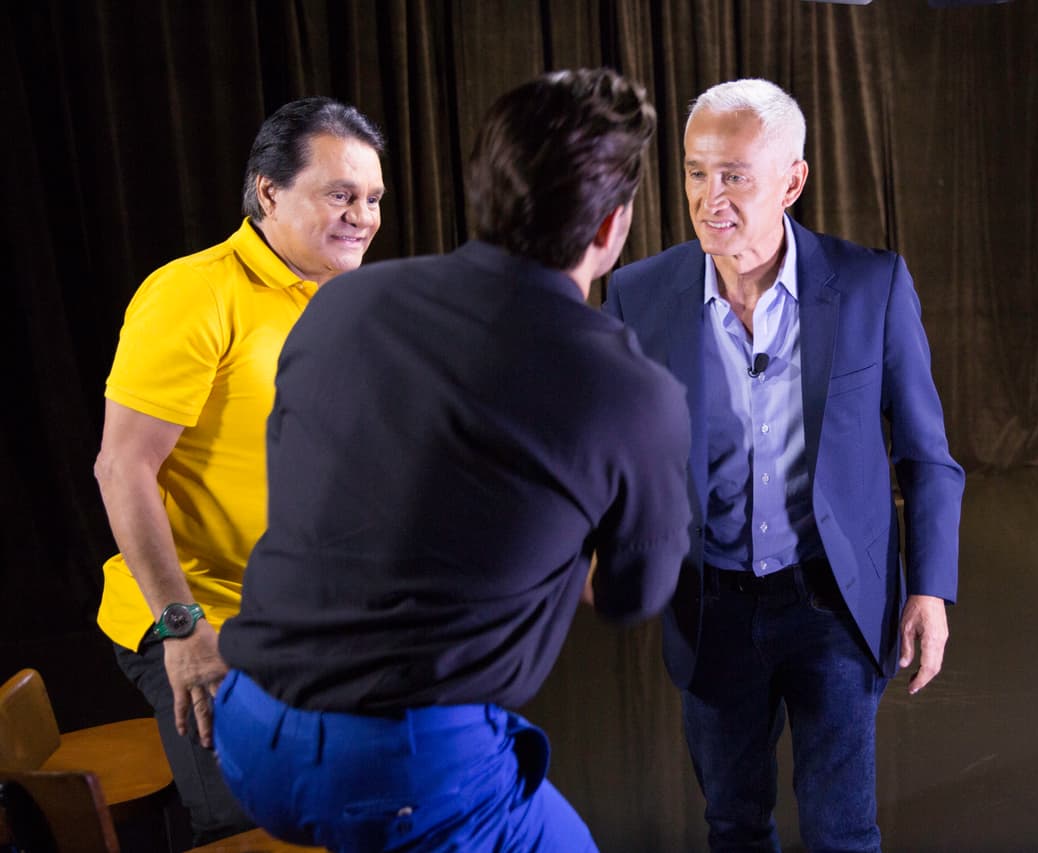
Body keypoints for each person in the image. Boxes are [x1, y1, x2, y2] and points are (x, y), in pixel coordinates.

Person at [213, 67, 691, 852]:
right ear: (611, 229)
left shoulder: (343, 301)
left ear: (485, 193)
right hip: (393, 770)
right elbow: (634, 591)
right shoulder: (630, 388)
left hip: (248, 729)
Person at [604, 78, 965, 852]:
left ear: (792, 181)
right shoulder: (639, 295)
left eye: (734, 174)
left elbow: (927, 455)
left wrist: (930, 589)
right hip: (711, 607)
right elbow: (602, 450)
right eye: (697, 173)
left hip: (832, 598)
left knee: (841, 830)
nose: (710, 197)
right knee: (733, 823)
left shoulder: (872, 285)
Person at [93, 97, 386, 844]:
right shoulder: (194, 291)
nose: (363, 215)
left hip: (305, 621)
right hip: (197, 616)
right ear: (268, 192)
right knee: (255, 832)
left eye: (373, 198)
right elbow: (122, 467)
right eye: (340, 194)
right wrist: (182, 629)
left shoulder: (342, 300)